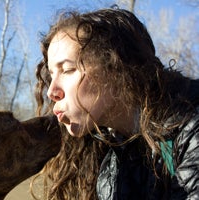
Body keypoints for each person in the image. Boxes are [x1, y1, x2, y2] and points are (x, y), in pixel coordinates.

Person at [33, 7, 199, 200]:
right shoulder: (108, 161)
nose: (52, 91)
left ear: (115, 68)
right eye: (51, 75)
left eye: (68, 69)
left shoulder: (188, 129)